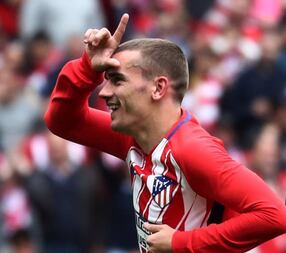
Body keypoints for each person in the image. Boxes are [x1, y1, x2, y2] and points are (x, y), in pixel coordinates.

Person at [44, 13, 286, 253]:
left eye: (117, 81)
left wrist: (181, 243)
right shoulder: (133, 136)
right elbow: (62, 122)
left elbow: (274, 215)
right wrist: (87, 67)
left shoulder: (193, 150)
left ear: (158, 88)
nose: (104, 93)